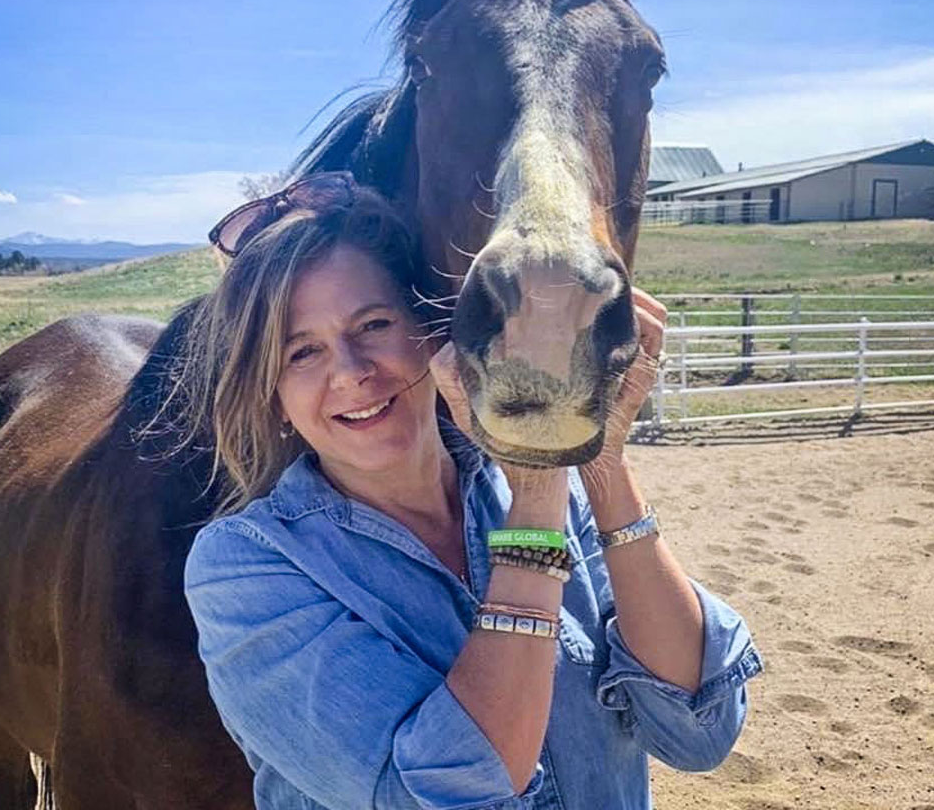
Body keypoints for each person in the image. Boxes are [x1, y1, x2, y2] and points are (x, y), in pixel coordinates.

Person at [182, 175, 762, 810]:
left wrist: (602, 464)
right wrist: (538, 497)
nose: (351, 373)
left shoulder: (547, 493)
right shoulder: (249, 566)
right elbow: (442, 789)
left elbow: (699, 729)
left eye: (373, 324)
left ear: (435, 333)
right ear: (275, 400)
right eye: (302, 353)